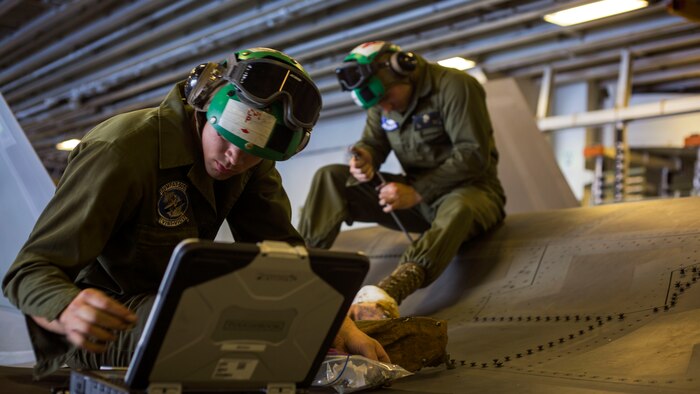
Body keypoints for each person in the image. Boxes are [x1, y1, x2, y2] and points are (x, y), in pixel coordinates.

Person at [2, 47, 388, 379]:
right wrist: (66, 308)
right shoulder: (120, 151)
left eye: (255, 151)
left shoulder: (250, 160)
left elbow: (286, 256)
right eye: (227, 137)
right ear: (204, 105)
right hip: (101, 324)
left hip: (178, 306)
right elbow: (28, 273)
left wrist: (337, 322)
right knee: (211, 328)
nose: (235, 159)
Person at [298, 41, 506, 321]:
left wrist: (418, 192)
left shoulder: (456, 86)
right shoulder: (381, 101)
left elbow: (473, 155)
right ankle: (298, 272)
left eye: (386, 99)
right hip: (415, 201)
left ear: (404, 70)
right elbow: (373, 142)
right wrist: (366, 158)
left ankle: (390, 291)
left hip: (474, 192)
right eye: (377, 105)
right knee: (331, 177)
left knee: (459, 206)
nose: (384, 108)